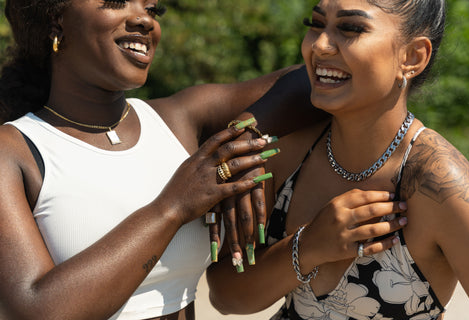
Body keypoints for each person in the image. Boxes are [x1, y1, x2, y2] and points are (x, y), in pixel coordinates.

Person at [0, 1, 407, 319]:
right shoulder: (15, 149)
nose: (144, 20)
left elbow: (311, 79)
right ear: (55, 20)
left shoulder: (177, 120)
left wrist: (242, 141)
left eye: (152, 9)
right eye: (117, 1)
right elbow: (38, 308)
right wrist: (175, 205)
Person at [207, 0, 469, 319]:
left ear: (412, 56)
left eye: (351, 28)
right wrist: (308, 246)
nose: (320, 45)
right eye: (316, 24)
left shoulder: (440, 182)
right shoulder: (283, 156)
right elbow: (225, 297)